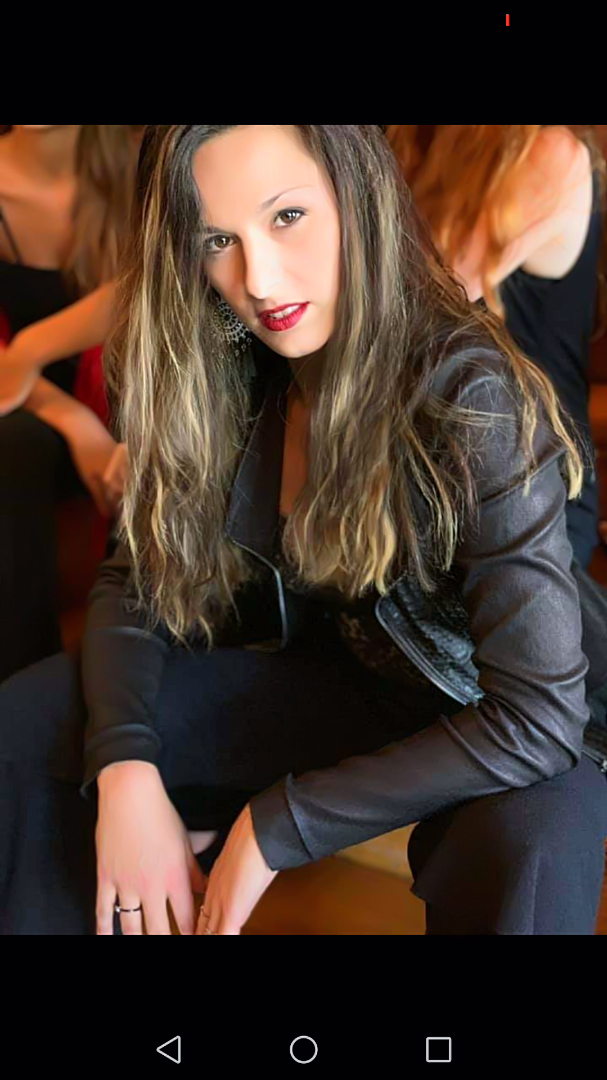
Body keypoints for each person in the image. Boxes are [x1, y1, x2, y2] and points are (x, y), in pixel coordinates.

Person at [1, 124, 606, 937]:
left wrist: (273, 827)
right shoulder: (228, 366)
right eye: (217, 239)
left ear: (355, 195)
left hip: (497, 714)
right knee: (34, 721)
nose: (256, 279)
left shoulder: (471, 391)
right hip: (351, 684)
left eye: (286, 216)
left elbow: (536, 718)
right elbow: (135, 582)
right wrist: (125, 769)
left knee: (536, 833)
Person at [386, 124, 606, 568]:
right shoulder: (410, 138)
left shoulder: (550, 152)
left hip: (531, 497)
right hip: (418, 476)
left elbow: (412, 310)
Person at [0, 125, 137, 679]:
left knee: (161, 424)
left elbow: (158, 283)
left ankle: (132, 664)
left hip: (128, 400)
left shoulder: (141, 163)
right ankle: (20, 681)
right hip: (27, 414)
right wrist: (75, 423)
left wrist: (33, 346)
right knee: (12, 442)